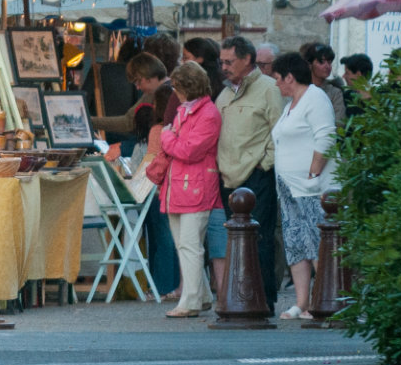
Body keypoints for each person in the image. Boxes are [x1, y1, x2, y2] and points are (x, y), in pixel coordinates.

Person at [94, 53, 178, 300]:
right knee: (161, 232)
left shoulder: (164, 95)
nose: (138, 86)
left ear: (152, 76)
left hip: (159, 179)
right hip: (163, 177)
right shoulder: (159, 93)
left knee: (161, 232)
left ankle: (163, 286)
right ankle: (164, 285)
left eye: (140, 81)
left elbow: (135, 126)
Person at [217, 35, 284, 307]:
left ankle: (264, 301)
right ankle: (240, 299)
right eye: (221, 62)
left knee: (260, 240)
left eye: (229, 61)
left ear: (247, 59)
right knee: (235, 243)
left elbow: (279, 131)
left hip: (257, 176)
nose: (224, 67)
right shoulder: (223, 93)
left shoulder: (269, 88)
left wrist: (264, 163)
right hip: (228, 178)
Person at [270, 51, 338, 320]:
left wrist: (312, 177)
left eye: (277, 78)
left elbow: (326, 138)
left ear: (289, 76)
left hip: (311, 188)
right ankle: (302, 302)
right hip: (289, 188)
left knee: (317, 243)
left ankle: (325, 297)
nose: (276, 84)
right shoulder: (291, 105)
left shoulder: (315, 97)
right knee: (296, 243)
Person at [158, 61, 223, 317]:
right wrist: (172, 137)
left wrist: (166, 136)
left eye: (176, 87)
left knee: (189, 245)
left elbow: (188, 151)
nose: (174, 92)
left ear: (186, 87)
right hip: (181, 186)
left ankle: (191, 301)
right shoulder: (188, 111)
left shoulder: (207, 114)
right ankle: (202, 295)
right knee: (185, 244)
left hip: (195, 186)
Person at [300, 42, 347, 123]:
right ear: (310, 64)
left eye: (329, 62)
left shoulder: (334, 93)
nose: (327, 66)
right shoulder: (299, 89)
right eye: (321, 62)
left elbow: (339, 123)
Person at [182, 36, 225, 101]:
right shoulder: (222, 79)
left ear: (200, 59)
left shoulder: (195, 84)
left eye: (186, 58)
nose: (182, 62)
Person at [339, 52, 374, 117]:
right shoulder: (346, 96)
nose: (343, 76)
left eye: (347, 73)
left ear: (358, 74)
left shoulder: (378, 101)